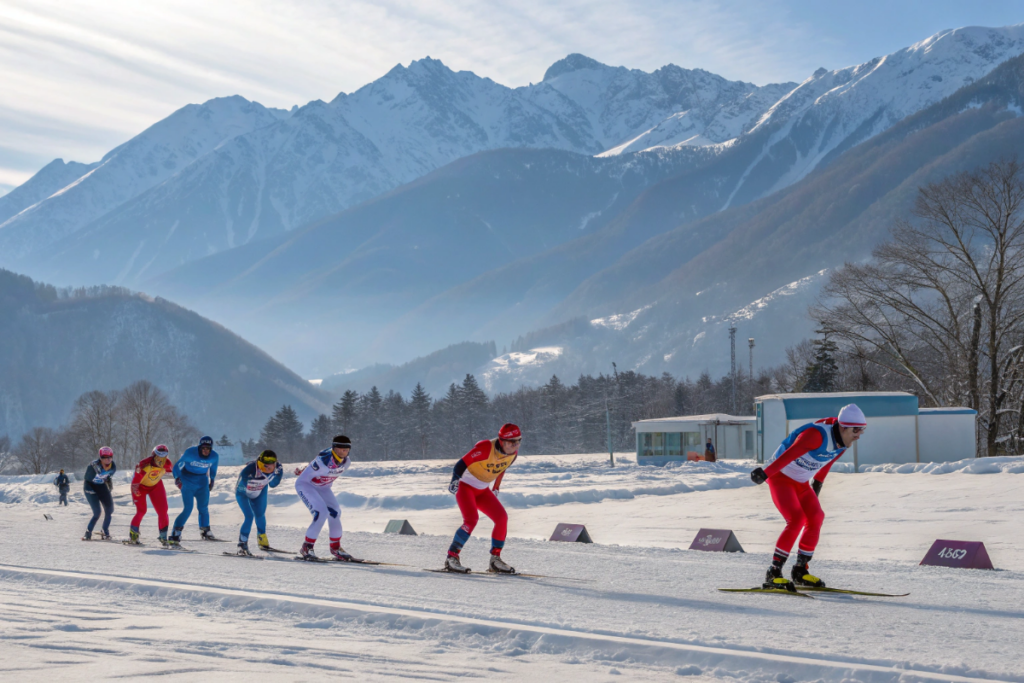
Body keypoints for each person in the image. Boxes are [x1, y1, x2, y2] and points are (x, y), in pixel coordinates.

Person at [750, 404, 866, 590]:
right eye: (857, 429)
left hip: (801, 482)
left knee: (816, 517)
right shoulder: (816, 435)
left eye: (863, 430)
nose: (859, 434)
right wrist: (765, 472)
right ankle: (773, 572)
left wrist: (817, 485)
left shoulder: (844, 442)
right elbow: (789, 454)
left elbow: (827, 463)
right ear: (844, 427)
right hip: (780, 476)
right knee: (796, 519)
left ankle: (800, 570)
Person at [443, 423, 521, 574]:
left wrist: (496, 487)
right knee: (471, 519)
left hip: (482, 490)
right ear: (502, 441)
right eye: (512, 442)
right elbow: (461, 463)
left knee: (501, 518)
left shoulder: (513, 454)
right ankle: (451, 557)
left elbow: (501, 468)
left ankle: (495, 560)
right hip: (465, 487)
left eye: (518, 441)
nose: (516, 446)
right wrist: (454, 480)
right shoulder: (486, 448)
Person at [294, 436, 353, 560]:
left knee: (335, 512)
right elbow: (315, 463)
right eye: (340, 449)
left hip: (323, 487)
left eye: (346, 449)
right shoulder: (323, 461)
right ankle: (307, 547)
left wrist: (304, 469)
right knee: (321, 512)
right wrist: (304, 471)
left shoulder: (347, 462)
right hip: (306, 485)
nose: (343, 452)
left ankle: (335, 548)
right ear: (334, 449)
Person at [169, 435, 219, 545]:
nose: (206, 451)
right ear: (199, 447)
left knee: (203, 507)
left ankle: (205, 530)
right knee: (188, 508)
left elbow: (213, 468)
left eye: (208, 449)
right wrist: (177, 478)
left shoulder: (214, 456)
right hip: (187, 480)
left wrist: (212, 480)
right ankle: (176, 532)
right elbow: (177, 466)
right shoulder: (190, 453)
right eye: (203, 448)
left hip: (202, 482)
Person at [234, 450, 283, 555]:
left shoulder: (278, 468)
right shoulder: (249, 469)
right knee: (249, 516)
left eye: (271, 465)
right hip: (243, 493)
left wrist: (277, 475)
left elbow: (273, 484)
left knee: (260, 515)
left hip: (260, 492)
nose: (269, 468)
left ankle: (262, 540)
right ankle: (242, 545)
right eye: (266, 465)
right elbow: (240, 487)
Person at [128, 444, 174, 545]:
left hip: (155, 485)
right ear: (153, 456)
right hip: (140, 487)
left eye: (163, 457)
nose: (160, 460)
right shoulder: (144, 465)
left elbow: (175, 471)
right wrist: (136, 493)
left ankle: (163, 536)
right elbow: (135, 482)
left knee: (163, 511)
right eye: (158, 457)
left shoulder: (167, 464)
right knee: (141, 511)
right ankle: (134, 535)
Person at [82, 447, 117, 540]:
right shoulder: (93, 466)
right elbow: (87, 480)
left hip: (101, 486)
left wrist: (109, 483)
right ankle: (88, 532)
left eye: (110, 457)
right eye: (105, 457)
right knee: (97, 512)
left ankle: (104, 531)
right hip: (90, 487)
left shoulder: (113, 466)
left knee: (109, 510)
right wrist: (89, 490)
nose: (108, 459)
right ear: (100, 458)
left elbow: (108, 476)